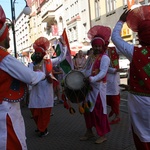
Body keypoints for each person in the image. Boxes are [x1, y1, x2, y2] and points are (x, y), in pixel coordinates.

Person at [0, 5, 46, 150]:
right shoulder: (4, 57)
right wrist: (43, 73)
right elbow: (30, 77)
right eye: (7, 34)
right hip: (6, 110)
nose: (8, 37)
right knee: (12, 144)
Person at [111, 6, 150, 150]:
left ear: (139, 35)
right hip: (138, 96)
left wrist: (121, 21)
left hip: (139, 100)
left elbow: (115, 38)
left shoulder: (134, 51)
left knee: (141, 132)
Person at [28, 37, 67, 137]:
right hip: (35, 91)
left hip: (46, 90)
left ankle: (43, 129)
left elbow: (61, 57)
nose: (37, 55)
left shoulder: (48, 62)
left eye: (39, 53)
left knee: (45, 112)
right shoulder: (31, 65)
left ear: (43, 54)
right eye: (36, 53)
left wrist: (64, 46)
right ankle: (40, 126)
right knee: (35, 112)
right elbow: (29, 77)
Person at [80, 25, 111, 144]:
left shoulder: (105, 58)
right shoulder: (91, 57)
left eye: (99, 46)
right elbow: (86, 70)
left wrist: (92, 79)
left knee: (99, 112)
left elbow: (103, 73)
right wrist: (78, 74)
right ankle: (89, 131)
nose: (97, 48)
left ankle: (102, 134)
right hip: (88, 88)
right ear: (92, 46)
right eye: (95, 46)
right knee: (87, 111)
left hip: (98, 89)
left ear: (102, 46)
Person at [106, 46, 121, 124]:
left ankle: (117, 116)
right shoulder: (98, 53)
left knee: (115, 98)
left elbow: (123, 48)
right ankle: (113, 109)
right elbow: (103, 67)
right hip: (105, 79)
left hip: (114, 79)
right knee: (107, 98)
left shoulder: (113, 49)